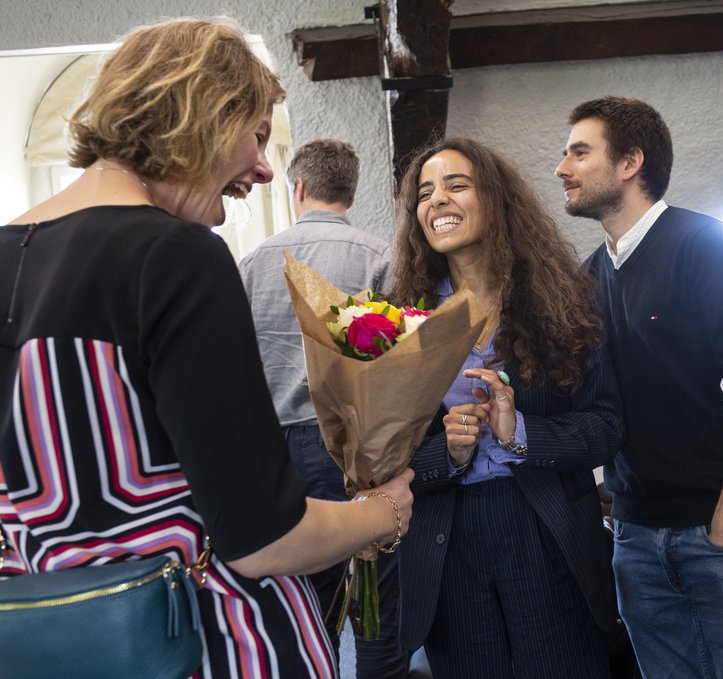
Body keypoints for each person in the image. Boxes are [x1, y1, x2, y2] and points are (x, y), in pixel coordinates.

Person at [0, 18, 412, 679]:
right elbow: (264, 540)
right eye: (254, 133)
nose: (264, 165)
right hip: (206, 642)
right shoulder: (174, 255)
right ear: (204, 112)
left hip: (61, 641)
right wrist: (381, 511)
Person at [555, 96, 723, 679]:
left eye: (579, 152)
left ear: (630, 162)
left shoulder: (708, 245)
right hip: (636, 534)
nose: (562, 168)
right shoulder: (591, 273)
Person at [388, 137, 624, 679]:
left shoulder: (562, 300)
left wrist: (518, 429)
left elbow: (606, 426)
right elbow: (383, 457)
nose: (437, 201)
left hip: (545, 529)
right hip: (449, 541)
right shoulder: (401, 319)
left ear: (496, 199)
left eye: (456, 185)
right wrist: (445, 453)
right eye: (424, 192)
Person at [238, 139, 406, 677]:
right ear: (350, 192)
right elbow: (400, 365)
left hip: (274, 445)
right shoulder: (380, 256)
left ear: (299, 189)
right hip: (352, 443)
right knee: (374, 593)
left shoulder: (253, 261)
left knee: (307, 596)